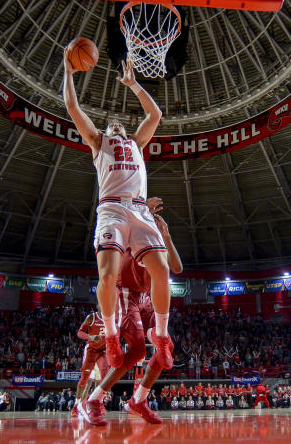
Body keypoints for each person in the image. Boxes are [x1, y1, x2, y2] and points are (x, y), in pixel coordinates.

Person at [63, 51, 172, 372]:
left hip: (139, 210)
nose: (116, 124)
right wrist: (68, 72)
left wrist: (134, 84)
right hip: (111, 209)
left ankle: (162, 337)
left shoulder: (137, 143)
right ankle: (111, 335)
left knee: (161, 273)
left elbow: (155, 115)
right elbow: (72, 108)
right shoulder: (98, 142)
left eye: (119, 123)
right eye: (111, 124)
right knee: (108, 275)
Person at [78, 210, 182, 426]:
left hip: (147, 296)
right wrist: (141, 209)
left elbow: (178, 268)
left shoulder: (158, 239)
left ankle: (139, 400)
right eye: (149, 218)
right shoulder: (129, 231)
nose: (152, 221)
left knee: (167, 347)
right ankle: (94, 400)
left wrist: (167, 235)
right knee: (137, 350)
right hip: (126, 294)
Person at [72, 310, 110, 416]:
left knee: (103, 378)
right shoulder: (92, 317)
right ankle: (76, 405)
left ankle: (99, 403)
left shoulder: (113, 317)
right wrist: (90, 337)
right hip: (91, 350)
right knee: (85, 379)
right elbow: (79, 332)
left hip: (103, 351)